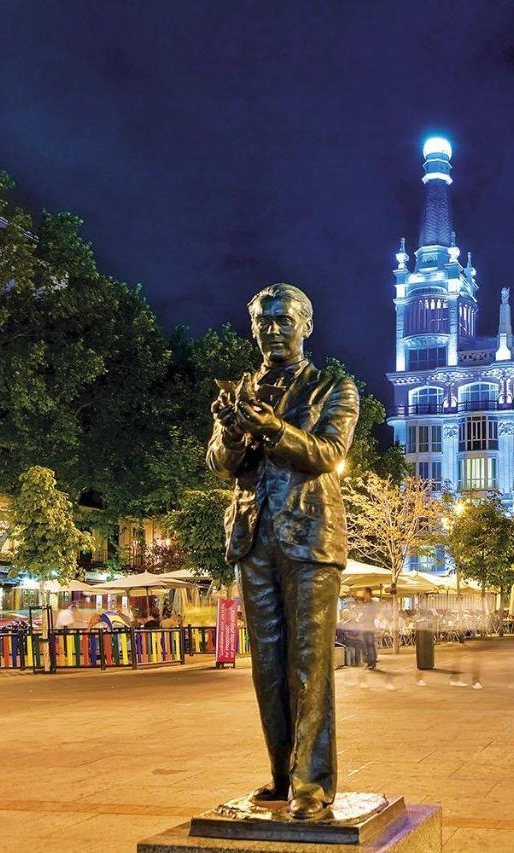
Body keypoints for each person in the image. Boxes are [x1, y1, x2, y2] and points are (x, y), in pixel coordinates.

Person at [207, 282, 359, 820]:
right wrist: (229, 432)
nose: (272, 329)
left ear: (306, 326)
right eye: (263, 321)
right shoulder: (241, 390)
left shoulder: (332, 387)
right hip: (253, 538)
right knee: (267, 665)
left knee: (309, 663)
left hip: (310, 537)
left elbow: (327, 452)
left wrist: (271, 428)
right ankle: (279, 776)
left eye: (283, 320)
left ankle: (311, 782)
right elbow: (222, 465)